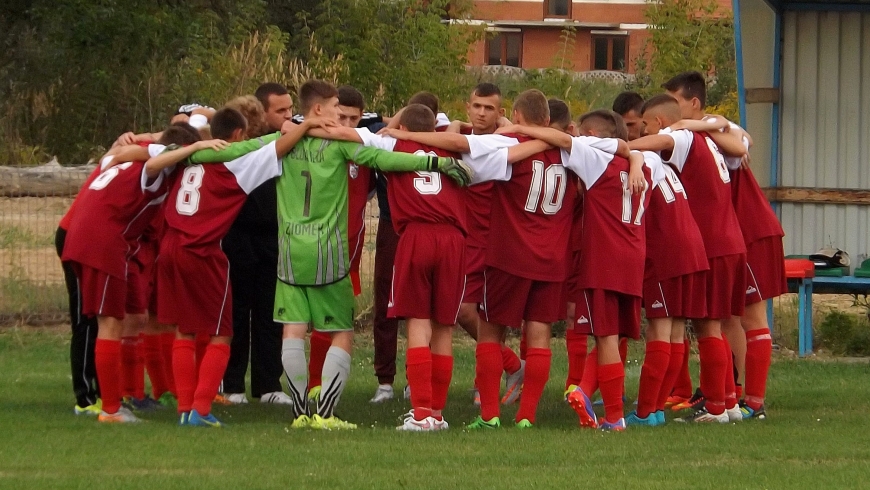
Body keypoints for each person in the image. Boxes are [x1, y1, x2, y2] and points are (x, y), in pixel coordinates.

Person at [148, 108, 332, 427]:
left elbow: (151, 155)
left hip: (170, 246)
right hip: (202, 250)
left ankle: (184, 407)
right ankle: (200, 410)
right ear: (236, 136)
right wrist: (306, 127)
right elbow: (278, 147)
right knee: (222, 333)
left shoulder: (190, 155)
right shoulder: (234, 161)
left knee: (184, 330)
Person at [61, 124, 211, 423]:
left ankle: (122, 398)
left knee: (128, 317)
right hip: (101, 242)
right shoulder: (152, 169)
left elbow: (119, 154)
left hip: (95, 238)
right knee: (110, 322)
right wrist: (189, 149)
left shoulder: (123, 159)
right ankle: (111, 409)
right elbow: (154, 163)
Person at [665, 71, 784, 419]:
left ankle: (753, 402)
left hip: (748, 231)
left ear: (694, 103)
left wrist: (705, 125)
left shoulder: (711, 132)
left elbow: (740, 143)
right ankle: (728, 395)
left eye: (677, 103)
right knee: (727, 316)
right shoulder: (700, 134)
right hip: (735, 234)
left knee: (749, 315)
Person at [629, 94, 748, 423]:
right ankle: (728, 402)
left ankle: (716, 408)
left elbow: (661, 139)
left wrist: (631, 146)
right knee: (714, 325)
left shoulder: (681, 137)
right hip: (726, 238)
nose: (641, 132)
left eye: (644, 125)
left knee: (708, 325)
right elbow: (742, 141)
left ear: (658, 122)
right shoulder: (706, 138)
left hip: (711, 242)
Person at [219, 90, 290, 405]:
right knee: (236, 313)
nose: (288, 116)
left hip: (271, 237)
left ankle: (268, 385)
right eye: (281, 110)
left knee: (269, 313)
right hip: (236, 237)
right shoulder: (232, 149)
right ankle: (232, 384)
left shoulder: (280, 144)